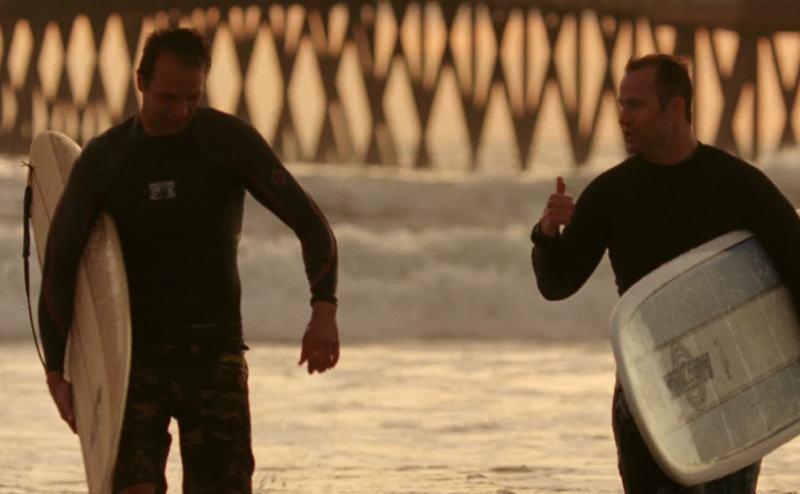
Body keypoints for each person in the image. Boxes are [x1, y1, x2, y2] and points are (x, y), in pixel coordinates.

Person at [38, 27, 339, 493]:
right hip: (132, 361)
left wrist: (324, 308)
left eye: (192, 98)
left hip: (215, 355)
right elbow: (60, 260)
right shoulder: (106, 159)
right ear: (141, 82)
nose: (180, 111)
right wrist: (56, 372)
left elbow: (311, 222)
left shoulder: (227, 142)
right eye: (168, 97)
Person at [530, 53, 800, 493]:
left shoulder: (739, 187)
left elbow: (796, 269)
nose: (622, 117)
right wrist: (546, 234)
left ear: (675, 108)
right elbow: (557, 284)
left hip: (730, 390)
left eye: (635, 105)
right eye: (621, 105)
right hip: (646, 393)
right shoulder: (611, 194)